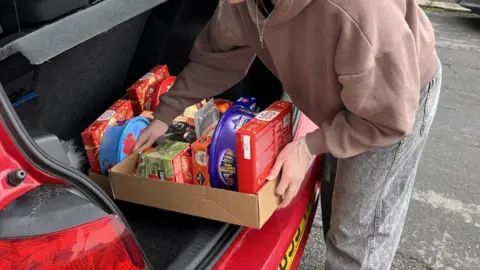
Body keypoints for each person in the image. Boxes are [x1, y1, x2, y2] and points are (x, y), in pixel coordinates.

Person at [133, 0, 441, 269]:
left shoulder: (356, 10)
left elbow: (388, 117)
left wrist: (307, 147)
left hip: (392, 99)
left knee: (357, 234)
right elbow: (217, 57)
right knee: (337, 213)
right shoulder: (240, 3)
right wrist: (166, 114)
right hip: (345, 93)